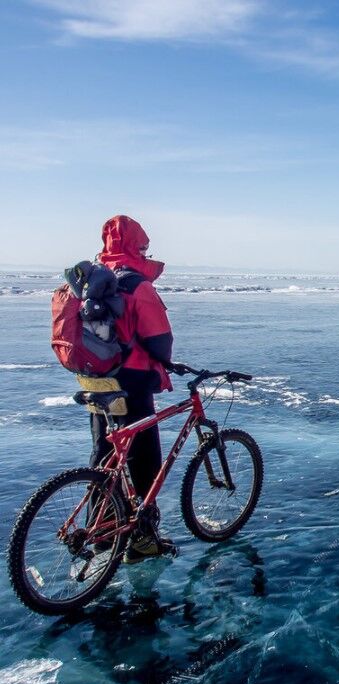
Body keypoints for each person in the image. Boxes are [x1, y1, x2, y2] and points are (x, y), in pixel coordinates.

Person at [89, 215, 176, 564]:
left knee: (105, 456)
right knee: (144, 460)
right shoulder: (136, 285)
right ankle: (142, 541)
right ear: (135, 246)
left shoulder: (94, 281)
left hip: (96, 380)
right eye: (143, 246)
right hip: (133, 382)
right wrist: (165, 363)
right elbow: (159, 339)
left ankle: (101, 533)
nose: (146, 251)